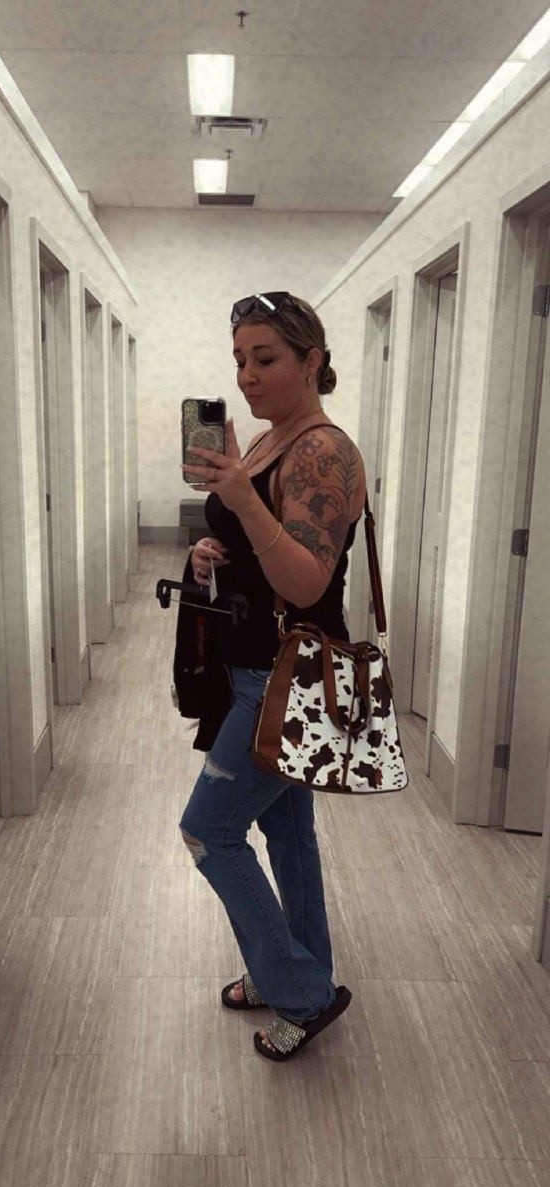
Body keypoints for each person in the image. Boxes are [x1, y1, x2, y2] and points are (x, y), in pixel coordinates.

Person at [179, 292, 366, 1062]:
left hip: (286, 680)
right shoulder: (267, 438)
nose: (247, 376)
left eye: (265, 358)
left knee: (208, 831)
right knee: (287, 833)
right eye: (239, 360)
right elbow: (260, 556)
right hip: (258, 669)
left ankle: (301, 993)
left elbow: (304, 581)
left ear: (311, 360)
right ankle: (294, 968)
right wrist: (209, 554)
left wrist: (237, 498)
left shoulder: (322, 452)